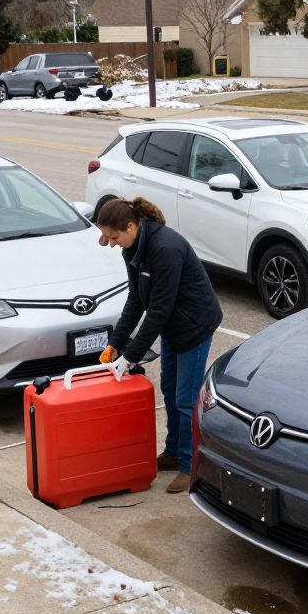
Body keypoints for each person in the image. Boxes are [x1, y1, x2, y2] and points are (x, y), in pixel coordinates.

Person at [96, 197, 223, 494]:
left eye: (114, 236)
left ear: (131, 226)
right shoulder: (132, 249)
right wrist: (115, 344)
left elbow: (158, 310)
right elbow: (137, 299)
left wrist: (130, 356)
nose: (112, 243)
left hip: (194, 326)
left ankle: (190, 465)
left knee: (185, 397)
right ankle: (174, 451)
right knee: (168, 389)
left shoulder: (166, 249)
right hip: (172, 326)